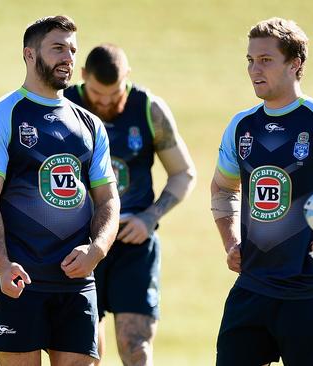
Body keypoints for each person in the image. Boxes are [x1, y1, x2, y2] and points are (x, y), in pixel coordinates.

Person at [0, 16, 120, 366]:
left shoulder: (90, 125)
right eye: (57, 48)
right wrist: (2, 265)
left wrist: (96, 250)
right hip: (18, 280)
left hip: (76, 282)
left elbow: (109, 199)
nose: (67, 57)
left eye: (72, 50)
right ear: (29, 54)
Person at [211, 18, 313, 366]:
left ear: (295, 63)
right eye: (250, 60)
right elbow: (223, 189)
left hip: (311, 293)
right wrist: (230, 243)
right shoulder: (241, 125)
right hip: (252, 289)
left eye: (266, 60)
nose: (254, 68)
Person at [64, 44, 196, 365]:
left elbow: (183, 173)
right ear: (83, 78)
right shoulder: (64, 105)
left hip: (133, 241)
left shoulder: (148, 109)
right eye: (98, 93)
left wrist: (151, 217)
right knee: (83, 351)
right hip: (81, 242)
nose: (107, 102)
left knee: (135, 345)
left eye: (115, 92)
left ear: (128, 78)